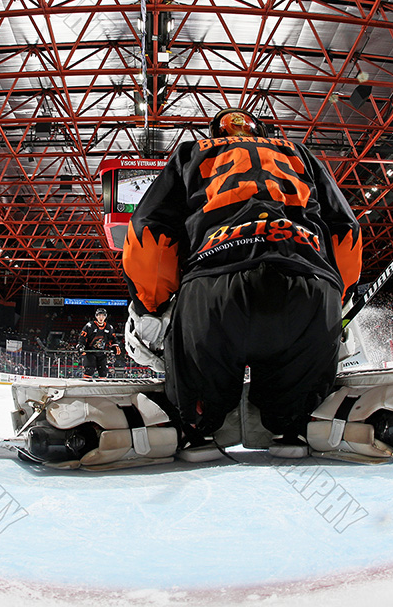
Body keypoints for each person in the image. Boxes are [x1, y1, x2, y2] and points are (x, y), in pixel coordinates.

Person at [121, 106, 363, 460]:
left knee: (201, 412)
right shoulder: (299, 153)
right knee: (290, 415)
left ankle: (200, 425)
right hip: (308, 288)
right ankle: (289, 421)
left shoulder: (192, 152)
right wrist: (337, 303)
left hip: (215, 291)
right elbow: (346, 231)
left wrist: (150, 307)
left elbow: (149, 232)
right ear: (262, 131)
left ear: (215, 133)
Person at [77, 308, 119, 380]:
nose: (101, 318)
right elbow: (82, 337)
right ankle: (86, 387)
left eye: (103, 316)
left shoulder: (109, 327)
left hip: (102, 352)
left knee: (103, 372)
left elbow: (113, 339)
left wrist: (115, 346)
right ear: (96, 316)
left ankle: (102, 389)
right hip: (90, 352)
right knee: (89, 370)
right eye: (99, 315)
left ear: (105, 317)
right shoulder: (90, 325)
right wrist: (81, 345)